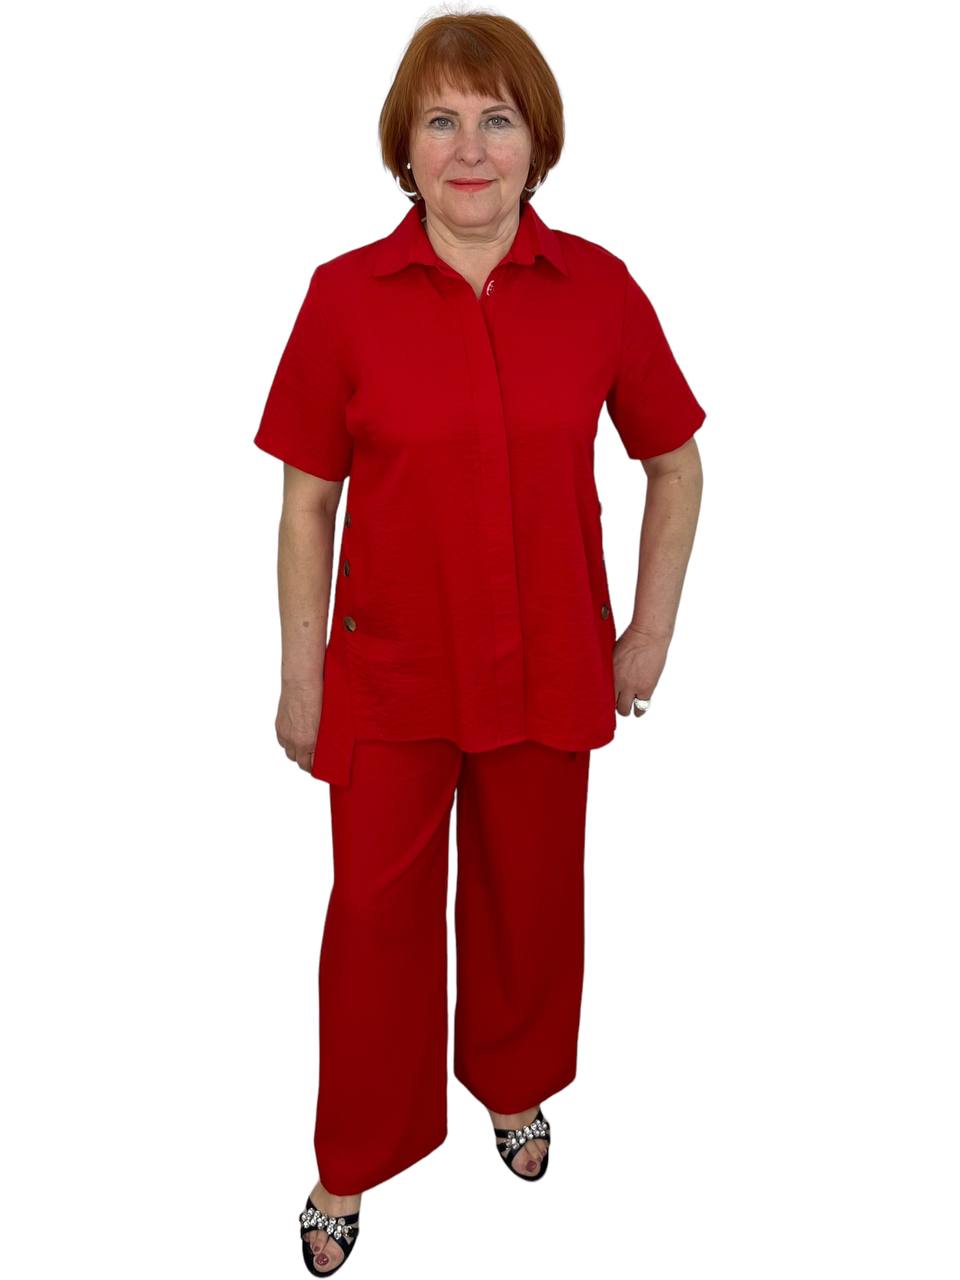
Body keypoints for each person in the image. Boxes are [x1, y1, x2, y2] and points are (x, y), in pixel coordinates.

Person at [254, 12, 706, 1276]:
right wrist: (301, 677)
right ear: (403, 147)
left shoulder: (600, 290)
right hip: (390, 674)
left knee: (530, 904)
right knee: (374, 927)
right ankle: (352, 1155)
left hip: (554, 665)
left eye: (496, 119)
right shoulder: (343, 297)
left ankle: (512, 1084)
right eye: (441, 120)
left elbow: (676, 463)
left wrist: (647, 634)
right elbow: (307, 503)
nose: (469, 148)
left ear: (536, 144)